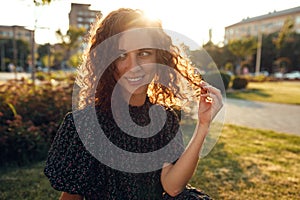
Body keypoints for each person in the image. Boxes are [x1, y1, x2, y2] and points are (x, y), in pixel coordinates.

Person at [44, 8, 223, 200]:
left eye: (144, 53)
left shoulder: (164, 118)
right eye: (121, 56)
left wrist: (203, 125)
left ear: (159, 58)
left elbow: (172, 187)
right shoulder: (86, 124)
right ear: (107, 62)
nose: (134, 66)